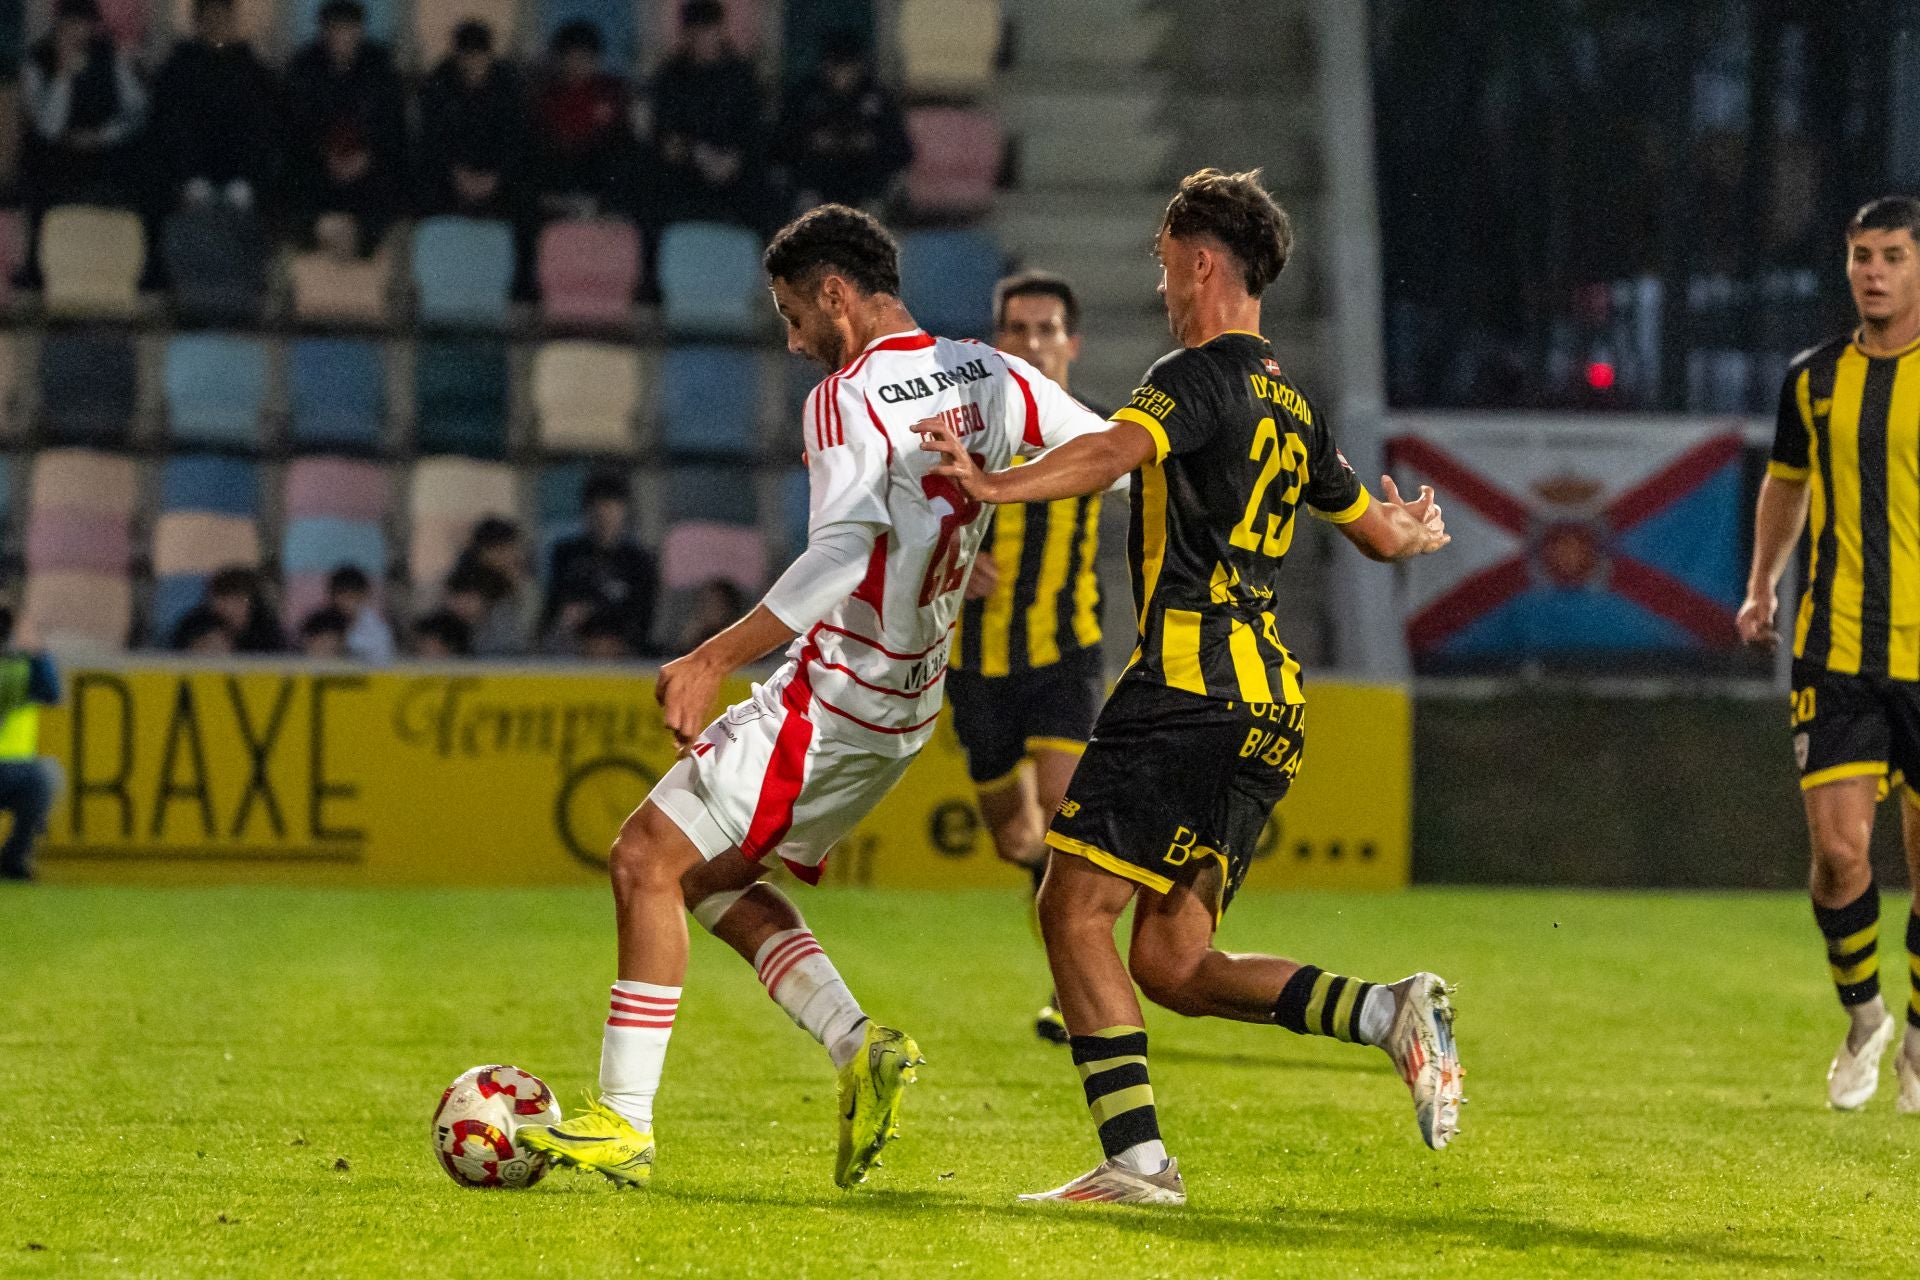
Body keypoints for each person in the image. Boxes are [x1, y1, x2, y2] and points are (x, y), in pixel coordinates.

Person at [515, 204, 1111, 1191]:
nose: (793, 341)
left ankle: (622, 1121)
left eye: (795, 314)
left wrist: (711, 656)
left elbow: (841, 548)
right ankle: (856, 1043)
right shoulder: (992, 372)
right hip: (906, 710)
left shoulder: (846, 395)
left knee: (640, 858)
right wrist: (988, 506)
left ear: (836, 294)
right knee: (706, 880)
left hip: (833, 694)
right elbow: (1114, 450)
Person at [919, 168, 1462, 1206]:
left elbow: (1112, 451)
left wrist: (991, 483)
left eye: (1168, 266)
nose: (1164, 287)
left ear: (1204, 262)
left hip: (1184, 686)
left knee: (1072, 911)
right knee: (1172, 959)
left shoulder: (1192, 375)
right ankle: (1386, 1010)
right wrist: (1415, 528)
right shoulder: (1295, 406)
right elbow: (1381, 531)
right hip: (1269, 707)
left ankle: (1137, 1161)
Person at [1737, 194, 1920, 1115]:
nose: (1873, 271)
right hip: (1836, 650)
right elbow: (1786, 482)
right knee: (1840, 857)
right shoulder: (1811, 379)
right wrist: (1761, 584)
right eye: (1860, 255)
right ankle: (1865, 1016)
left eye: (1891, 254)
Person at [946, 271, 1109, 1045]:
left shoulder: (1105, 435)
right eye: (1018, 329)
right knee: (1019, 840)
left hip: (1064, 654)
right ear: (996, 342)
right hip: (975, 664)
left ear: (1071, 344)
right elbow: (905, 524)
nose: (1034, 342)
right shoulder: (960, 433)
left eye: (1047, 330)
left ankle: (1072, 992)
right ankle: (1068, 923)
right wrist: (952, 561)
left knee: (1066, 827)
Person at [18, 0, 145, 283]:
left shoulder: (110, 57)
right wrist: (63, 74)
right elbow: (47, 127)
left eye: (83, 24)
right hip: (53, 162)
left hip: (103, 157)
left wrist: (102, 136)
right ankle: (43, 278)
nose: (77, 32)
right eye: (70, 24)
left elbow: (136, 113)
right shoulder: (37, 61)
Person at [284, 0, 406, 256]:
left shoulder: (381, 69)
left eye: (348, 30)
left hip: (368, 167)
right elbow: (295, 126)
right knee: (296, 189)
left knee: (385, 193)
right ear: (324, 32)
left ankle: (364, 263)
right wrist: (324, 156)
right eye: (335, 30)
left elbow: (393, 129)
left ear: (360, 32)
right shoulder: (304, 67)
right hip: (318, 166)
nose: (341, 38)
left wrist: (366, 157)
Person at [149, 0, 279, 214]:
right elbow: (168, 124)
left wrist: (247, 179)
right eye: (210, 18)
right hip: (189, 177)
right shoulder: (179, 67)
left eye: (222, 18)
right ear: (198, 22)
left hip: (241, 179)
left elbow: (261, 125)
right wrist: (187, 177)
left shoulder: (251, 69)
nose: (216, 25)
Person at [651, 0, 769, 229]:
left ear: (720, 30)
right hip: (687, 171)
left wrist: (734, 159)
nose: (704, 40)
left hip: (735, 170)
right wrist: (697, 155)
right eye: (697, 33)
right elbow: (664, 137)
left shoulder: (741, 74)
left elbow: (756, 131)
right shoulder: (671, 76)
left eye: (709, 32)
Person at [776, 28, 910, 213]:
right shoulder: (804, 95)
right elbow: (781, 146)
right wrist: (814, 142)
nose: (841, 74)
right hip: (815, 186)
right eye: (835, 66)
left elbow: (901, 149)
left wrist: (866, 142)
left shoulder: (876, 97)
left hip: (864, 187)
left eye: (847, 67)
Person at [416, 19, 524, 220]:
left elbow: (515, 138)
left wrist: (494, 176)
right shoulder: (438, 84)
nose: (473, 65)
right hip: (451, 173)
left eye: (479, 58)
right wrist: (457, 173)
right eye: (467, 58)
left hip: (496, 173)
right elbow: (433, 138)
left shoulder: (509, 85)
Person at [541, 471, 658, 655]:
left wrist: (615, 643)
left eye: (611, 507)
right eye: (596, 507)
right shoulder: (567, 555)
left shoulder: (640, 561)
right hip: (573, 650)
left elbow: (644, 619)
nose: (603, 514)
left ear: (624, 510)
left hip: (625, 653)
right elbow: (552, 609)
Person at [528, 20, 635, 220]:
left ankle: (603, 207)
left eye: (585, 58)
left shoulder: (610, 92)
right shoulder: (548, 96)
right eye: (572, 58)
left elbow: (620, 139)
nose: (578, 65)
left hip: (597, 171)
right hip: (560, 170)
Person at [0, 608, 61, 881]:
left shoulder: (22, 666)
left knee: (44, 777)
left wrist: (37, 654)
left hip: (13, 768)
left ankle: (14, 858)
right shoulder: (17, 669)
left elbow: (51, 692)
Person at [450, 517, 536, 656]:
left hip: (517, 660)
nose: (509, 555)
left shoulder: (524, 585)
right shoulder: (467, 584)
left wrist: (516, 583)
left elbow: (529, 628)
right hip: (477, 659)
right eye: (501, 549)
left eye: (512, 548)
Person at [170, 566, 284, 653]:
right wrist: (196, 647)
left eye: (237, 600)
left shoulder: (266, 629)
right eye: (223, 600)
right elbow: (172, 654)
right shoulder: (195, 623)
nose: (230, 607)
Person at [326, 564, 393, 662]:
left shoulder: (377, 629)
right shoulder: (326, 622)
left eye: (352, 597)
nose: (347, 602)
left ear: (363, 595)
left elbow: (382, 660)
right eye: (342, 596)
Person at [675, 578, 747, 653]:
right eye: (705, 603)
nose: (708, 609)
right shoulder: (696, 636)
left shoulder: (743, 639)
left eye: (716, 604)